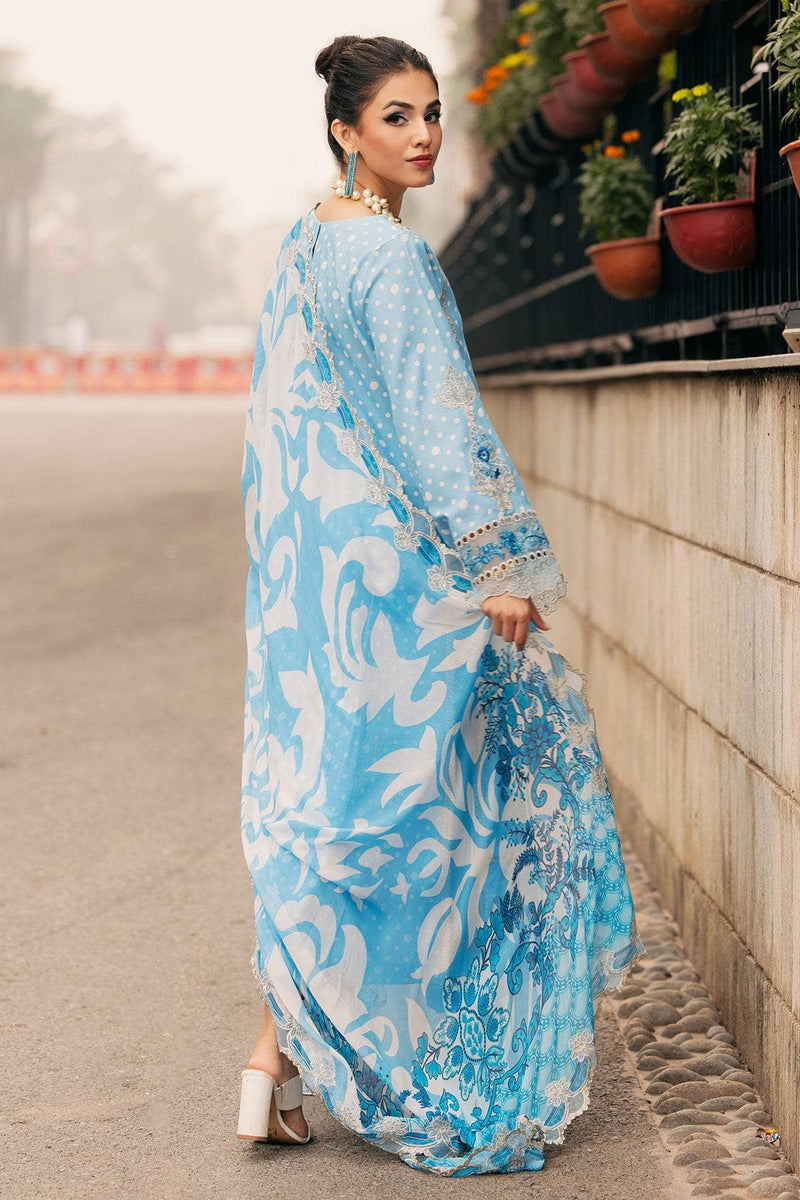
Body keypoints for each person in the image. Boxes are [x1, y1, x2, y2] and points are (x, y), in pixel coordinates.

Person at [236, 33, 645, 1177]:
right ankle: (393, 1059)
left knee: (346, 810)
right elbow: (434, 419)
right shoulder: (389, 256)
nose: (420, 136)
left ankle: (271, 1061)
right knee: (454, 821)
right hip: (414, 585)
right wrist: (494, 566)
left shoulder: (307, 245)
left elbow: (278, 431)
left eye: (429, 115)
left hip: (327, 587)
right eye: (395, 118)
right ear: (343, 131)